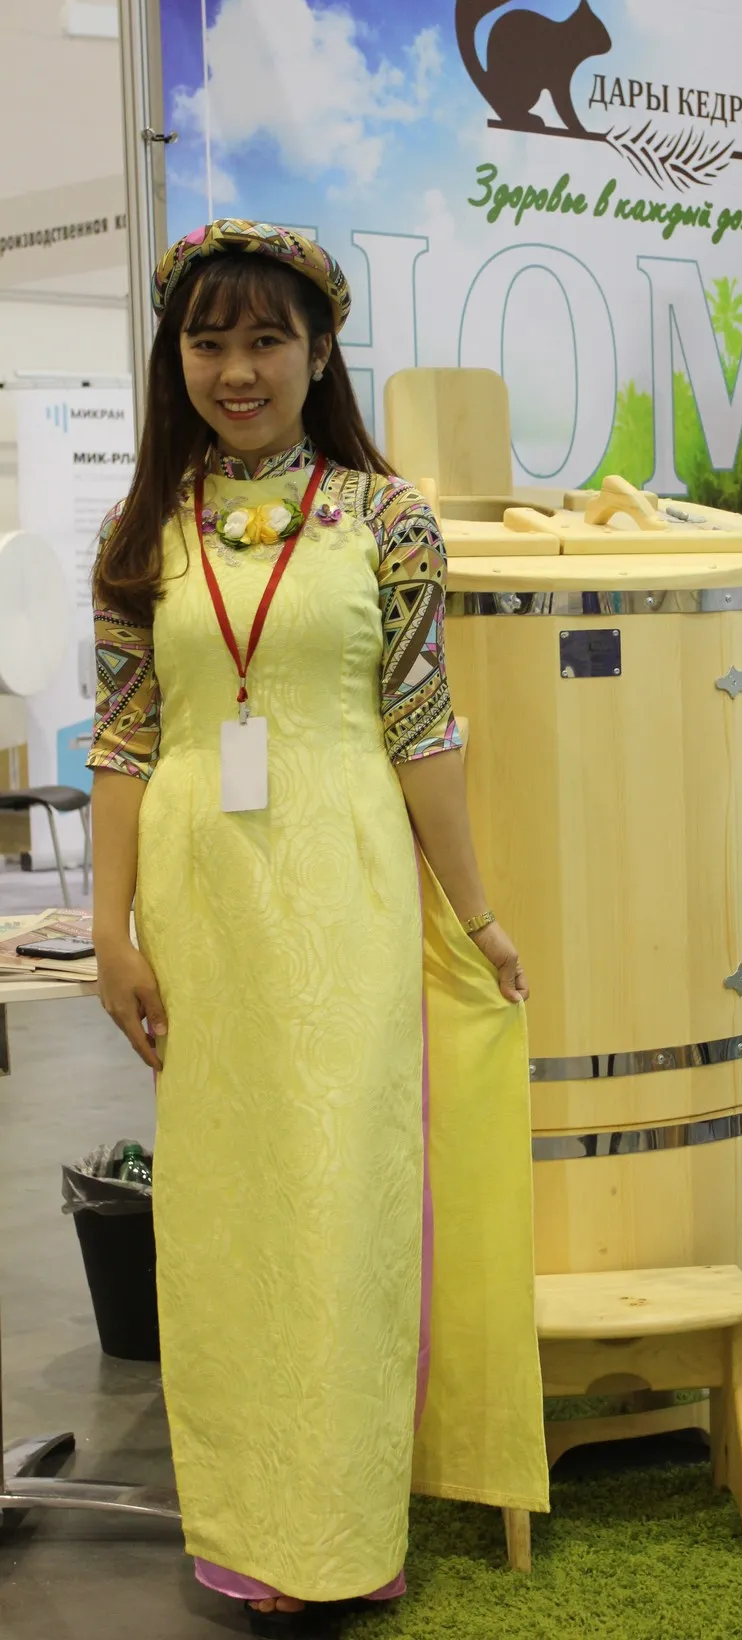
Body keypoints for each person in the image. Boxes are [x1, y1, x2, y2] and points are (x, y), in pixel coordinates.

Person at [88, 219, 531, 1634]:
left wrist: (476, 913)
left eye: (266, 340)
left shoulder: (389, 519)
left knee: (346, 1203)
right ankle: (244, 1527)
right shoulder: (140, 533)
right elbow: (124, 740)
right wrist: (111, 932)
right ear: (176, 359)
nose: (238, 370)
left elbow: (422, 727)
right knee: (225, 1214)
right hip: (202, 903)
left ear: (321, 351)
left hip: (347, 887)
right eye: (209, 341)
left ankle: (340, 1531)